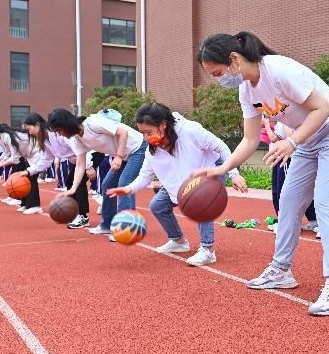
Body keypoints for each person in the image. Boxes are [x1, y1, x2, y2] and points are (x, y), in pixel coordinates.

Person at [194, 31, 329, 316]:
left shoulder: (279, 70)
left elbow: (323, 108)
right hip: (305, 139)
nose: (220, 80)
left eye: (218, 73)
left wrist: (291, 142)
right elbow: (249, 139)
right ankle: (282, 270)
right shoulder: (247, 90)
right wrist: (223, 168)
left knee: (327, 203)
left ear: (234, 58)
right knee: (289, 203)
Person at [108, 102, 248, 264]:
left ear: (163, 125)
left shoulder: (190, 131)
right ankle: (178, 241)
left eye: (149, 132)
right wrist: (128, 189)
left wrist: (234, 173)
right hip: (182, 177)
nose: (146, 137)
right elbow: (144, 176)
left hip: (210, 167)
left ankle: (208, 250)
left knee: (202, 201)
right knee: (157, 206)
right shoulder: (151, 150)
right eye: (142, 133)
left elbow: (221, 147)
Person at [47, 109, 147, 239]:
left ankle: (128, 228)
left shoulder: (92, 123)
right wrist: (72, 189)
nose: (59, 135)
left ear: (66, 125)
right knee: (107, 185)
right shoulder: (76, 139)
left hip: (137, 148)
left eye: (59, 130)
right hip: (123, 155)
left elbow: (123, 132)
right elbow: (80, 164)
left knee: (124, 184)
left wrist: (119, 156)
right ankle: (107, 224)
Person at [20, 113, 93, 228]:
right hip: (79, 161)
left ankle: (83, 217)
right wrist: (29, 171)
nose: (29, 133)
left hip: (91, 155)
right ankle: (79, 214)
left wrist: (88, 166)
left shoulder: (58, 134)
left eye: (29, 129)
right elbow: (46, 159)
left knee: (77, 183)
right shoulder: (45, 140)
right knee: (70, 181)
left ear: (38, 125)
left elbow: (79, 147)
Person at [262, 116, 318, 233]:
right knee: (278, 191)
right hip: (279, 157)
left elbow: (282, 137)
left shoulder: (287, 120)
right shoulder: (280, 122)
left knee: (285, 192)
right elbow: (275, 138)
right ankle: (286, 220)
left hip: (288, 158)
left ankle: (288, 222)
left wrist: (267, 124)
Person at [0, 121, 51, 214]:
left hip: (36, 153)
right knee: (25, 178)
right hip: (28, 156)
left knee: (31, 179)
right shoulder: (0, 138)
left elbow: (14, 158)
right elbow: (7, 153)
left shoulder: (7, 136)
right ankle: (25, 204)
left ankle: (35, 206)